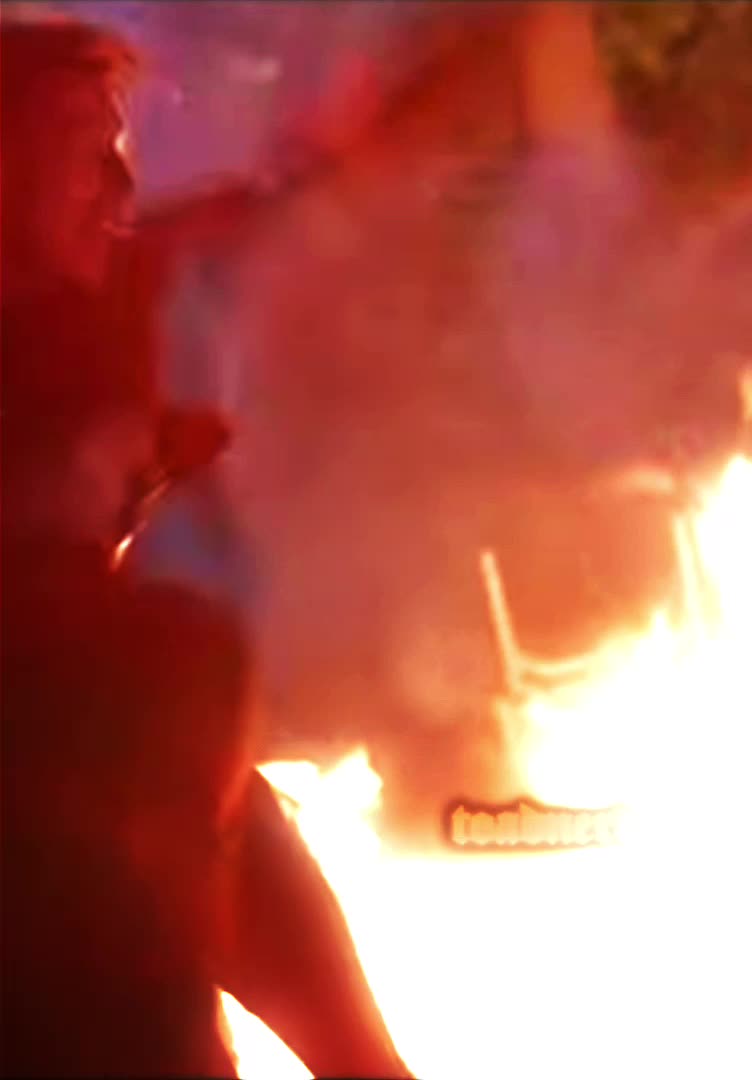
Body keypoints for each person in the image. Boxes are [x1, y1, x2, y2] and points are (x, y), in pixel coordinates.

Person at [2, 16, 410, 1079]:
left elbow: (221, 221)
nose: (117, 184)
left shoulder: (95, 307)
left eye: (120, 149)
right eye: (81, 148)